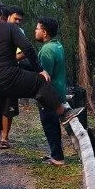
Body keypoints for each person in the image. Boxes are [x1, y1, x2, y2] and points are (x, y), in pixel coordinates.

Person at [0, 0, 82, 158]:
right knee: (40, 82)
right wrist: (40, 70)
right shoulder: (11, 28)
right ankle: (63, 112)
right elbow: (28, 48)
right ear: (2, 14)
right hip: (8, 78)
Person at [35, 16, 68, 166]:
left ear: (45, 32)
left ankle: (58, 157)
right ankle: (56, 154)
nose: (35, 31)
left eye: (37, 29)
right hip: (59, 90)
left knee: (50, 125)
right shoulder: (58, 45)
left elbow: (44, 76)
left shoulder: (47, 50)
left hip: (50, 94)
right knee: (53, 124)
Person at [0, 5, 26, 149]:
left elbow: (24, 52)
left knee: (8, 107)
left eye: (20, 20)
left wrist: (10, 59)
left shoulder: (19, 32)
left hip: (11, 74)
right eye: (16, 18)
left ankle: (5, 137)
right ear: (7, 17)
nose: (18, 22)